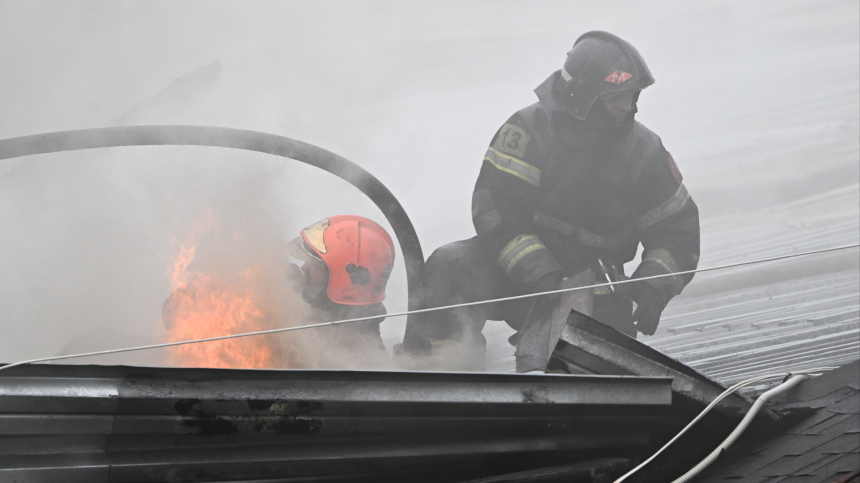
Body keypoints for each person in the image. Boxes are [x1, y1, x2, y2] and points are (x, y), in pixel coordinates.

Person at [399, 31, 700, 372]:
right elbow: (495, 210)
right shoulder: (528, 131)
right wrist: (539, 272)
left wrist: (652, 287)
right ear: (582, 96)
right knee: (451, 264)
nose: (628, 106)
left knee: (601, 369)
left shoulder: (644, 151)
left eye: (632, 96)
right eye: (616, 97)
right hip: (517, 273)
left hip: (591, 282)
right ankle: (437, 379)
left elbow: (677, 232)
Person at [285, 215, 396, 366]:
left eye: (313, 263)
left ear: (341, 282)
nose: (303, 268)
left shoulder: (358, 359)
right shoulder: (318, 319)